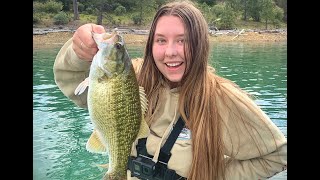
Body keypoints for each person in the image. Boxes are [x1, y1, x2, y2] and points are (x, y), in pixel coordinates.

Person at [53, 1, 287, 179]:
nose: (170, 52)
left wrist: (215, 175)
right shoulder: (132, 77)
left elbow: (279, 155)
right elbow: (74, 84)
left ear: (200, 44)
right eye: (161, 40)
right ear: (151, 45)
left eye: (183, 40)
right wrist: (78, 53)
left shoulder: (222, 99)